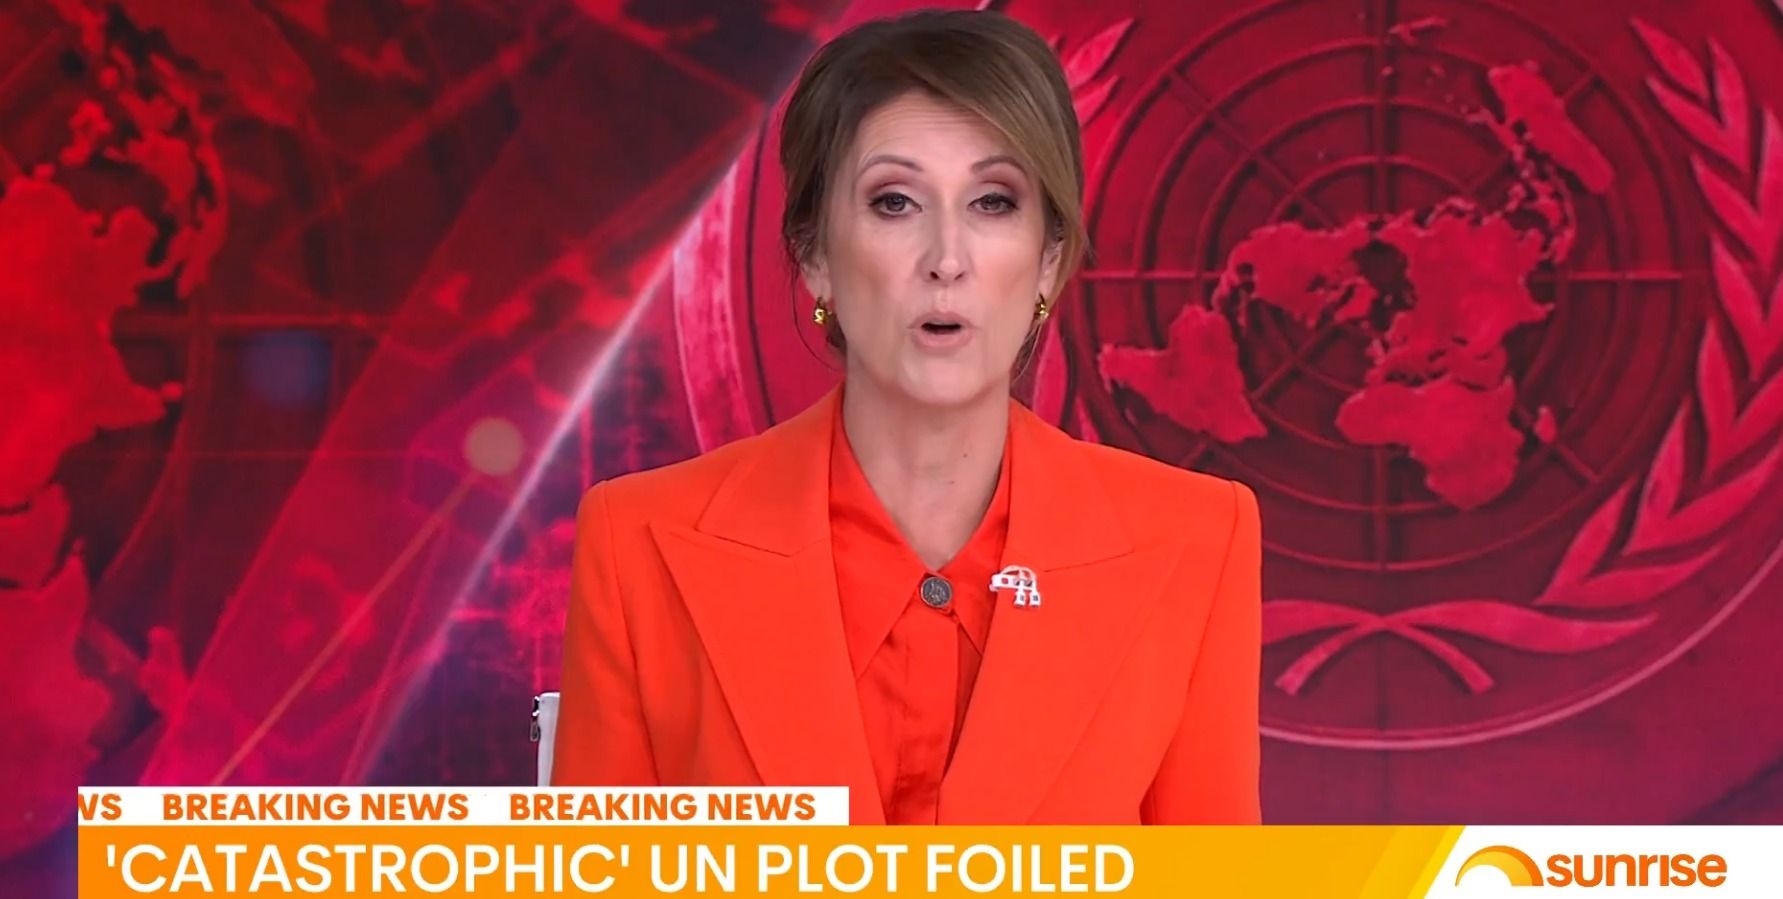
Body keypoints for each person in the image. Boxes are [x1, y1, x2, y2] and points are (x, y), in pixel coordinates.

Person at [554, 8, 1262, 825]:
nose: (946, 260)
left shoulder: (1195, 541)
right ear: (815, 255)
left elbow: (1213, 875)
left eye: (993, 202)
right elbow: (598, 873)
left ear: (1048, 258)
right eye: (894, 202)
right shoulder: (637, 542)